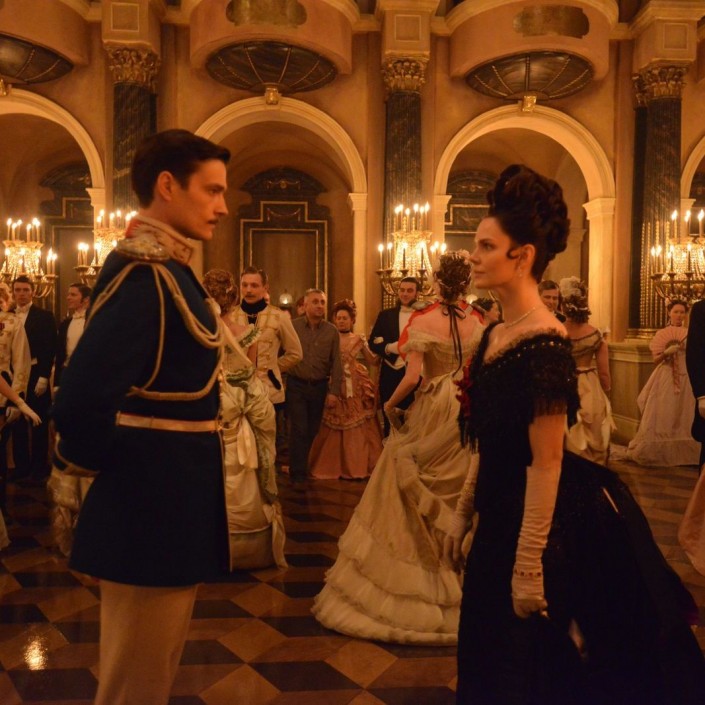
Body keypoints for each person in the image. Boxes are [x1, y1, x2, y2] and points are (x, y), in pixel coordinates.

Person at [446, 164, 705, 705]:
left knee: (521, 670)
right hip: (495, 518)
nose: (472, 255)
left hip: (536, 527)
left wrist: (527, 567)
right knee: (481, 650)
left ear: (522, 256)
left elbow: (547, 463)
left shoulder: (546, 341)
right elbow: (489, 439)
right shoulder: (494, 333)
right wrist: (463, 511)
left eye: (486, 245)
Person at [51, 129, 230, 705]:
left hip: (170, 503)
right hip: (148, 507)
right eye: (212, 190)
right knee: (134, 683)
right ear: (168, 186)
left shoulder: (172, 271)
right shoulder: (144, 273)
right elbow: (80, 398)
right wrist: (117, 479)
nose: (223, 207)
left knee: (152, 673)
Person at [312, 251, 484, 644]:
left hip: (434, 404)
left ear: (436, 283)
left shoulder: (424, 320)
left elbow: (413, 377)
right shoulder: (477, 320)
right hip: (466, 405)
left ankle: (421, 576)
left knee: (406, 485)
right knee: (461, 488)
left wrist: (389, 405)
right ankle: (461, 578)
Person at [203, 268, 286, 570]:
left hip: (210, 406)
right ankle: (246, 546)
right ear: (234, 297)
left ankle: (204, 542)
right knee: (245, 464)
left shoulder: (198, 333)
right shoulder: (246, 332)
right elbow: (250, 375)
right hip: (242, 408)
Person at [228, 266, 302, 471]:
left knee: (266, 447)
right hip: (237, 392)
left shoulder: (278, 316)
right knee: (240, 447)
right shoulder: (232, 316)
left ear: (265, 288)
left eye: (254, 285)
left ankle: (266, 486)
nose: (249, 290)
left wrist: (272, 368)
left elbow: (296, 353)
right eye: (245, 285)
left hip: (269, 391)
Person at [309, 298, 383, 480]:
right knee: (330, 425)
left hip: (354, 386)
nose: (341, 321)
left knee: (357, 423)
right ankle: (331, 465)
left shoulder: (358, 339)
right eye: (339, 318)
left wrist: (383, 346)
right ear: (334, 319)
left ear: (352, 320)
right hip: (333, 384)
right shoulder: (329, 337)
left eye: (345, 318)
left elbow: (373, 360)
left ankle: (355, 465)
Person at [626, 299, 700, 466]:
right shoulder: (662, 334)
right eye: (676, 312)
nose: (679, 315)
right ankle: (659, 453)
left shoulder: (690, 333)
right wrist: (667, 352)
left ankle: (686, 455)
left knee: (684, 413)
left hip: (686, 376)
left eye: (682, 312)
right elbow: (656, 360)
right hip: (666, 376)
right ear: (669, 313)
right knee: (665, 411)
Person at [286, 288, 343, 486]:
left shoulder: (331, 331)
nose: (319, 306)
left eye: (322, 302)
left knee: (312, 429)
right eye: (315, 302)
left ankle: (304, 466)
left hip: (319, 386)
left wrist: (334, 392)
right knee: (299, 428)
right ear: (305, 305)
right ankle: (297, 473)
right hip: (296, 385)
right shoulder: (292, 327)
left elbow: (337, 362)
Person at [561, 277, 614, 464]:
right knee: (593, 427)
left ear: (564, 308)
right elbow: (604, 373)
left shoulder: (557, 331)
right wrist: (606, 394)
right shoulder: (595, 334)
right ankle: (593, 469)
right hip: (589, 386)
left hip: (564, 383)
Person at [11, 274, 57, 484]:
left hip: (36, 373)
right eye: (18, 290)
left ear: (33, 292)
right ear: (13, 292)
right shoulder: (6, 315)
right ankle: (21, 467)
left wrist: (44, 376)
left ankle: (39, 468)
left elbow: (50, 347)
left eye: (25, 290)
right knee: (16, 422)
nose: (21, 294)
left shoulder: (45, 316)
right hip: (13, 376)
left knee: (38, 421)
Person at [369, 277, 420, 436]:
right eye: (402, 290)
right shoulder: (386, 315)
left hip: (414, 372)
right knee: (389, 418)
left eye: (409, 290)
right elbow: (372, 342)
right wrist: (389, 348)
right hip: (389, 373)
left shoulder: (422, 316)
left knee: (413, 419)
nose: (405, 294)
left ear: (417, 293)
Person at [54, 283, 92, 390]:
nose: (68, 298)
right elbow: (60, 355)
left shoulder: (94, 322)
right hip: (67, 374)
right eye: (68, 294)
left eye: (73, 295)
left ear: (86, 299)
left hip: (89, 375)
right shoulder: (65, 324)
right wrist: (56, 384)